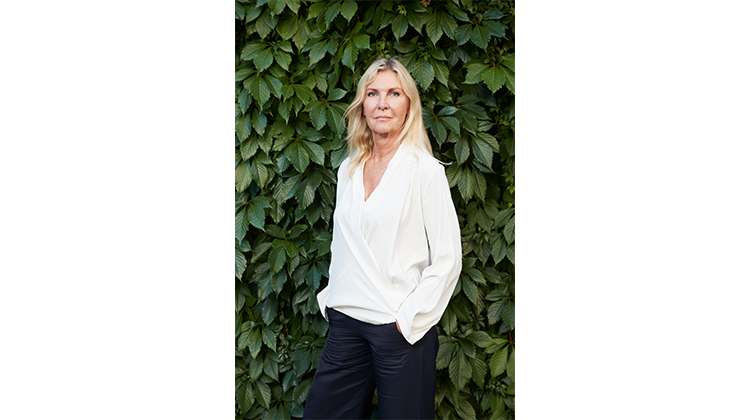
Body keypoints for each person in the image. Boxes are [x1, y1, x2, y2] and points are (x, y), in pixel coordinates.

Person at [302, 58, 463, 420]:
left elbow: (448, 258)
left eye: (394, 93)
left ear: (408, 104)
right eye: (373, 93)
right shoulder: (349, 168)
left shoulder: (425, 171)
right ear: (362, 104)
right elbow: (342, 243)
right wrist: (333, 298)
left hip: (399, 329)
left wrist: (407, 319)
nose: (382, 103)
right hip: (346, 322)